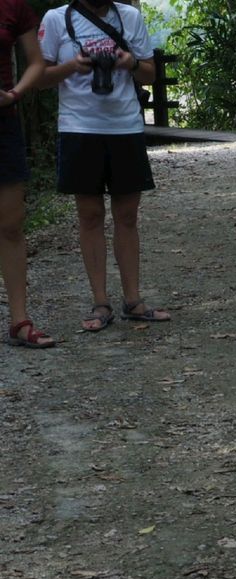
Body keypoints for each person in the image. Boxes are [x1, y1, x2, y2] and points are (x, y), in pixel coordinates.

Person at [38, 0, 170, 331]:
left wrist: (129, 63)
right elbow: (39, 77)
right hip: (78, 128)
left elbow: (151, 73)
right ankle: (100, 303)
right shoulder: (56, 19)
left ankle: (133, 300)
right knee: (90, 215)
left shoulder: (129, 18)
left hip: (124, 126)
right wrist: (73, 67)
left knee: (127, 216)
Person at [1, 0, 55, 348]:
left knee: (10, 222)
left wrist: (15, 94)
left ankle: (19, 320)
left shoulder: (12, 6)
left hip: (3, 120)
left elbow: (36, 62)